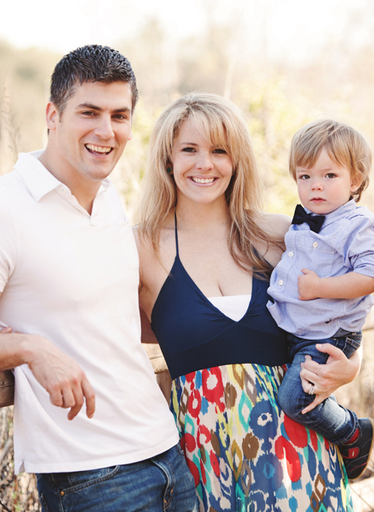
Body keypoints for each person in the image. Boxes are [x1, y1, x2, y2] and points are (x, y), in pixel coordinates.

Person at [0, 45, 198, 512]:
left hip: (168, 454)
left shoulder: (110, 200)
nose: (106, 131)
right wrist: (31, 348)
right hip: (92, 478)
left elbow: (119, 319)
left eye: (119, 115)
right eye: (89, 112)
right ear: (52, 114)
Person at [136, 93, 361, 512]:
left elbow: (353, 291)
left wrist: (353, 364)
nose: (205, 164)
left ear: (237, 160)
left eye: (220, 151)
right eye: (189, 149)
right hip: (206, 456)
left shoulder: (279, 234)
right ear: (167, 159)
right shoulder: (141, 246)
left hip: (298, 454)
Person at [267, 119, 374, 481]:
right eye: (304, 176)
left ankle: (352, 431)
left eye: (329, 176)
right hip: (299, 328)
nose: (315, 185)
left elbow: (371, 277)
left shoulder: (359, 224)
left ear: (355, 181)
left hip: (329, 333)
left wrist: (321, 287)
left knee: (294, 400)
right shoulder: (304, 219)